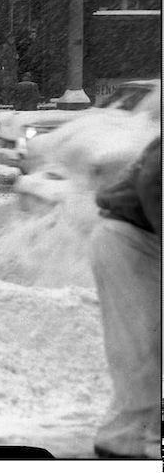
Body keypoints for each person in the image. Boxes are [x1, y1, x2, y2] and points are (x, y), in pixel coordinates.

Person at [89, 136, 161, 459]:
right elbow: (153, 182)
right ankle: (122, 444)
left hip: (147, 238)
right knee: (141, 345)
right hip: (129, 241)